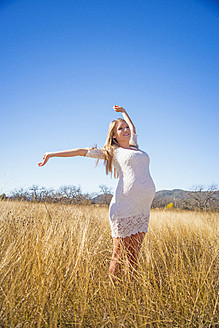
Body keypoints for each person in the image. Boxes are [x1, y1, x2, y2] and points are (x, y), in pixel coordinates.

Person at [38, 105, 156, 281]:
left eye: (126, 127)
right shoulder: (112, 152)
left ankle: (130, 290)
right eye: (120, 128)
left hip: (142, 208)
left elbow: (133, 127)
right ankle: (112, 289)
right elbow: (80, 152)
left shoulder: (135, 146)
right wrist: (51, 154)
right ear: (114, 135)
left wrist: (124, 112)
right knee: (119, 253)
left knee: (133, 255)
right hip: (124, 206)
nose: (126, 130)